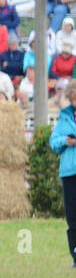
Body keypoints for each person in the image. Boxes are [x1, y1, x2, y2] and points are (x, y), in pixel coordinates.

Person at [49, 83, 76, 267]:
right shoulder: (65, 116)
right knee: (72, 216)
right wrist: (65, 141)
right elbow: (54, 142)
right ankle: (75, 254)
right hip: (69, 171)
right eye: (73, 99)